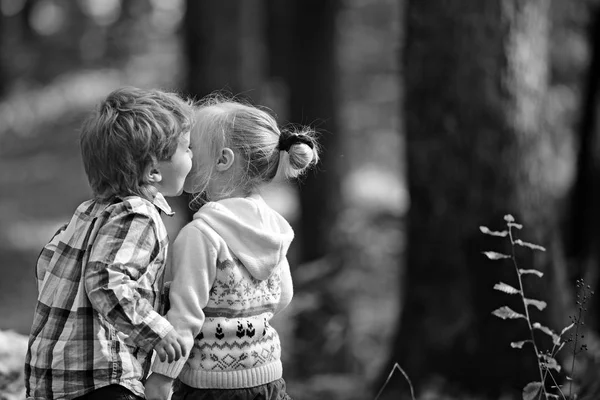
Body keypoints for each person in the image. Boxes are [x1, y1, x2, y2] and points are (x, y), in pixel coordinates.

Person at [25, 86, 194, 400]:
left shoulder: (87, 213)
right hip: (103, 379)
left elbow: (46, 264)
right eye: (187, 148)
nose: (192, 156)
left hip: (52, 375)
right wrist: (156, 329)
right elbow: (105, 282)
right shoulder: (138, 214)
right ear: (154, 171)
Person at [144, 97, 320, 400]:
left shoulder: (200, 235)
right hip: (268, 377)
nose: (183, 154)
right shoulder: (273, 229)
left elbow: (185, 317)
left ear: (223, 160)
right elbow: (283, 296)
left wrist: (161, 377)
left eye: (190, 148)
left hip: (211, 386)